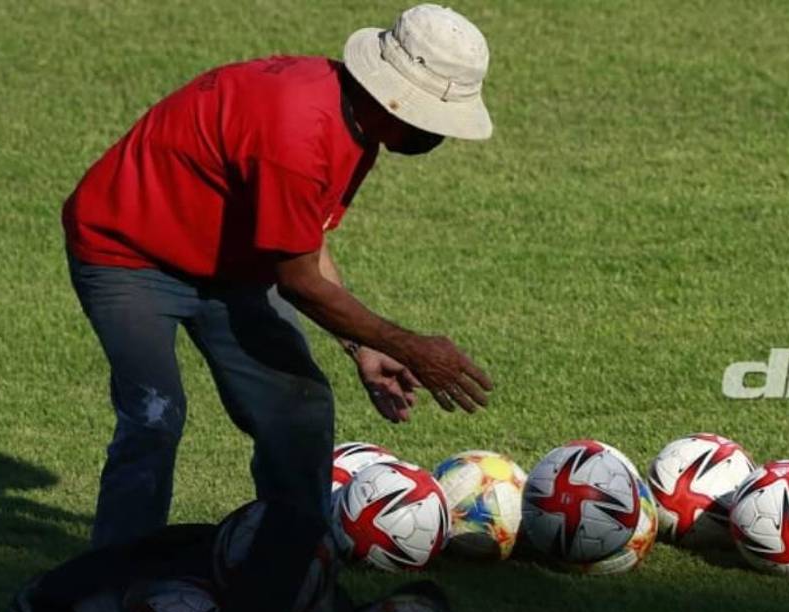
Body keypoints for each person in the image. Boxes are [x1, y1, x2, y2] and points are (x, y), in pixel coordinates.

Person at [62, 5, 494, 548]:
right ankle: (111, 585)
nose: (441, 135)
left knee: (298, 408)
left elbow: (305, 244)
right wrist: (408, 346)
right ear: (395, 101)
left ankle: (293, 566)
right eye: (435, 119)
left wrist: (360, 347)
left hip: (229, 261)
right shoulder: (298, 130)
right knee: (155, 415)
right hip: (127, 253)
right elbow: (298, 282)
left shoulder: (351, 118)